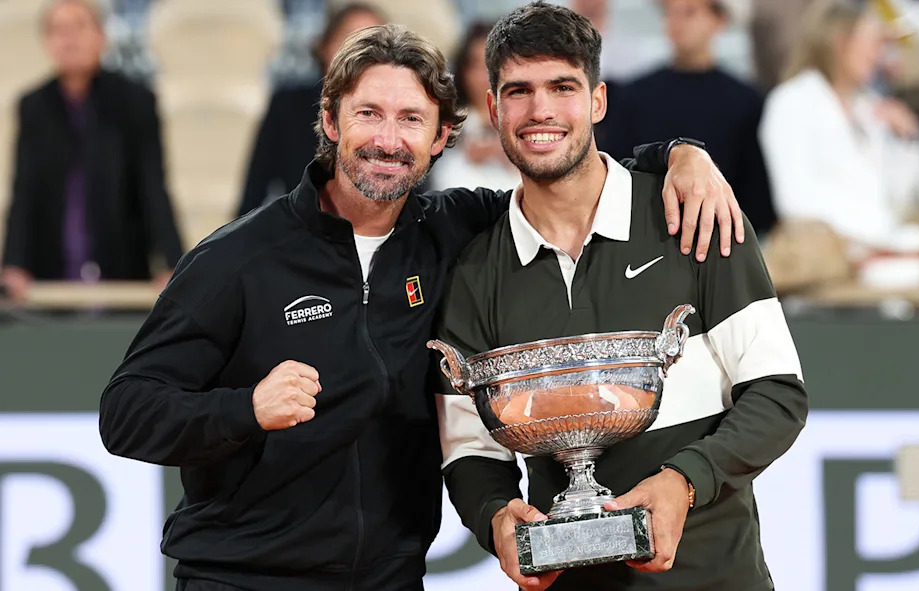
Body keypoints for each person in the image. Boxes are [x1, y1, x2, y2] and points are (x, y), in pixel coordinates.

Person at [98, 22, 743, 591]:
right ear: (331, 122)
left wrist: (679, 156)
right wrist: (244, 409)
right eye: (368, 114)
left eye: (411, 119)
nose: (388, 139)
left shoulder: (458, 228)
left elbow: (573, 179)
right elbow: (125, 413)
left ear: (441, 138)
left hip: (392, 577)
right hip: (241, 577)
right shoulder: (237, 258)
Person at [432, 3, 806, 590]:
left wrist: (684, 481)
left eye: (563, 87)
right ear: (493, 108)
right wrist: (496, 517)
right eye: (519, 91)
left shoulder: (696, 215)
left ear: (598, 101)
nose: (541, 111)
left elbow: (778, 394)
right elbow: (469, 445)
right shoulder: (475, 270)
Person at [1, 0, 183, 301]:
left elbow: (153, 187)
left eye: (79, 27)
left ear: (102, 36)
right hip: (51, 267)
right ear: (46, 42)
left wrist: (173, 263)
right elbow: (24, 191)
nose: (69, 39)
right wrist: (14, 263)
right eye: (58, 30)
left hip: (122, 263)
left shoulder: (135, 102)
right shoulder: (33, 106)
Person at [759, 0, 919, 261]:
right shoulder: (791, 103)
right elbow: (795, 201)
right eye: (874, 43)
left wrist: (906, 138)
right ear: (841, 42)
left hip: (879, 256)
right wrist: (877, 237)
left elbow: (897, 199)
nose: (880, 55)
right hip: (827, 265)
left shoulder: (869, 109)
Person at [597, 0, 776, 236]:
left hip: (722, 239)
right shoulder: (633, 96)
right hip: (645, 234)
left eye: (689, 13)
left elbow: (756, 194)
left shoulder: (747, 101)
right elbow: (615, 172)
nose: (676, 23)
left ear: (719, 20)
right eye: (670, 13)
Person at [236, 2, 387, 217]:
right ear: (324, 46)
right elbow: (254, 194)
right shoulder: (287, 106)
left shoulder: (402, 116)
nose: (361, 54)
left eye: (375, 45)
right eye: (350, 40)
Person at [428, 22, 520, 192]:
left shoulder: (527, 121)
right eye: (477, 65)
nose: (485, 76)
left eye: (493, 65)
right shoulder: (446, 122)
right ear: (463, 71)